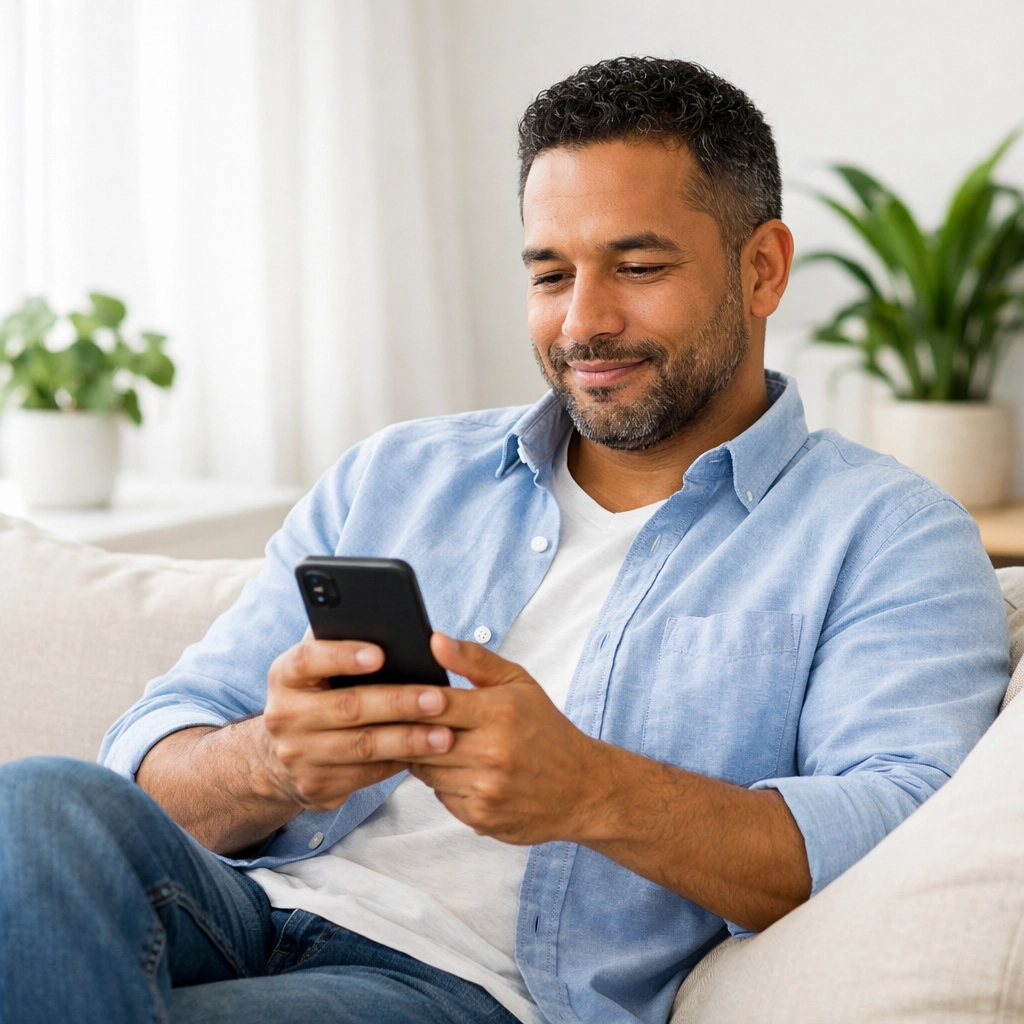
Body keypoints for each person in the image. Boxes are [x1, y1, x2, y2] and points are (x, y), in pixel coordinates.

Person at [0, 56, 1009, 1024]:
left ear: (761, 268)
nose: (583, 322)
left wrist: (592, 789)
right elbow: (161, 740)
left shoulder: (886, 533)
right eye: (549, 272)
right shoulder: (393, 476)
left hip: (457, 987)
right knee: (36, 801)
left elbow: (894, 824)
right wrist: (272, 762)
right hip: (239, 904)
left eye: (638, 265)